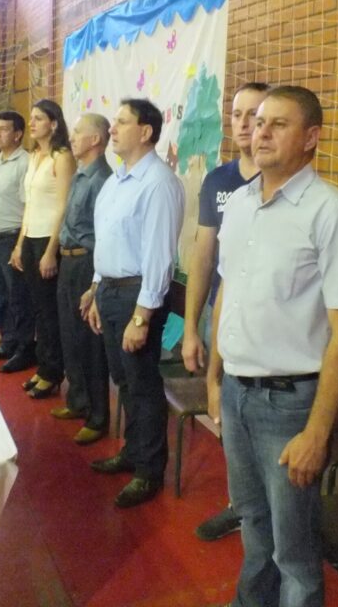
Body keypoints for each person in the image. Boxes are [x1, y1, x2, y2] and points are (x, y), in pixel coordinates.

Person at [210, 85, 338, 607]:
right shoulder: (239, 204)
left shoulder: (333, 214)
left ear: (311, 138)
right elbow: (227, 293)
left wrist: (318, 432)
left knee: (295, 552)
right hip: (237, 391)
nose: (260, 132)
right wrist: (215, 378)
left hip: (289, 404)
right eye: (259, 122)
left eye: (278, 124)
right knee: (253, 523)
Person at [83, 99, 184, 509]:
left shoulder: (158, 183)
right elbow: (107, 241)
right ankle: (133, 450)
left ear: (145, 132)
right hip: (110, 290)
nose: (113, 129)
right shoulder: (117, 181)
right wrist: (95, 288)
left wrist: (142, 317)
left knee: (142, 385)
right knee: (123, 381)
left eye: (122, 122)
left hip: (137, 296)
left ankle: (149, 470)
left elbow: (159, 257)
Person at [180, 81, 269, 541]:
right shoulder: (219, 181)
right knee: (225, 412)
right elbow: (203, 257)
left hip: (270, 322)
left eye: (256, 114)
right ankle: (241, 504)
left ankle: (267, 513)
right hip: (223, 313)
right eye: (237, 114)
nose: (246, 123)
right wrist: (191, 328)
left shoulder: (283, 181)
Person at [53, 113, 113, 444]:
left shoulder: (102, 179)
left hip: (87, 263)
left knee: (90, 344)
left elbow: (103, 235)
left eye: (78, 132)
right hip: (68, 261)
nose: (72, 137)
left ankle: (98, 415)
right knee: (70, 336)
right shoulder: (80, 174)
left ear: (95, 140)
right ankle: (77, 400)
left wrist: (94, 283)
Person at [12, 100, 76, 400]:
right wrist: (19, 244)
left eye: (39, 118)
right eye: (32, 118)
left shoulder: (62, 157)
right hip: (30, 238)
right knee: (37, 308)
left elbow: (63, 206)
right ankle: (43, 366)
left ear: (54, 123)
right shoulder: (35, 155)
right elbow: (29, 206)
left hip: (49, 240)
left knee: (50, 311)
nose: (32, 123)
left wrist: (52, 250)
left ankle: (53, 371)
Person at [0, 111, 34, 371]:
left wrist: (20, 246)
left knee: (18, 297)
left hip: (13, 238)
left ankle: (24, 349)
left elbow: (29, 208)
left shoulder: (25, 163)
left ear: (18, 134)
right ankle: (8, 343)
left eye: (4, 129)